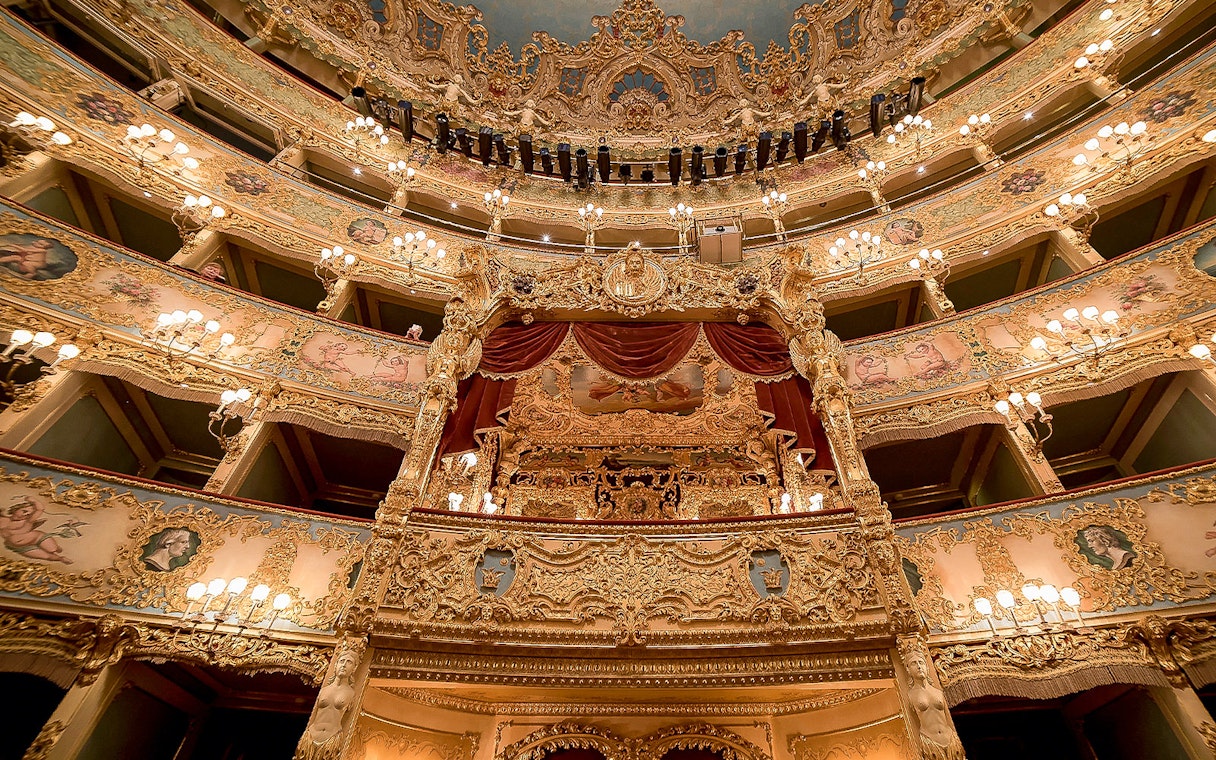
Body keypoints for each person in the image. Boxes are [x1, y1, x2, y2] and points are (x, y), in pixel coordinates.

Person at [297, 646, 360, 760]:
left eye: (349, 662)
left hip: (331, 738)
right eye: (341, 661)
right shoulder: (324, 690)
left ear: (354, 668)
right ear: (335, 665)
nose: (344, 665)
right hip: (311, 735)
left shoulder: (351, 693)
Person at [906, 652, 965, 760]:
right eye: (914, 663)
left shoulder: (938, 692)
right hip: (929, 740)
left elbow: (948, 718)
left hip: (950, 738)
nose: (919, 666)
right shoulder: (910, 695)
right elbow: (912, 723)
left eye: (921, 663)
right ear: (908, 669)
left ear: (927, 667)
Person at [0, 497, 76, 563]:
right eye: (24, 511)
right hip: (20, 547)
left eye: (29, 514)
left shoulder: (27, 521)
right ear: (16, 509)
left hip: (37, 537)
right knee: (46, 556)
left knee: (52, 549)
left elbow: (40, 509)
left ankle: (57, 548)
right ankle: (61, 559)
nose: (26, 515)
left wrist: (34, 501)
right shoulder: (3, 519)